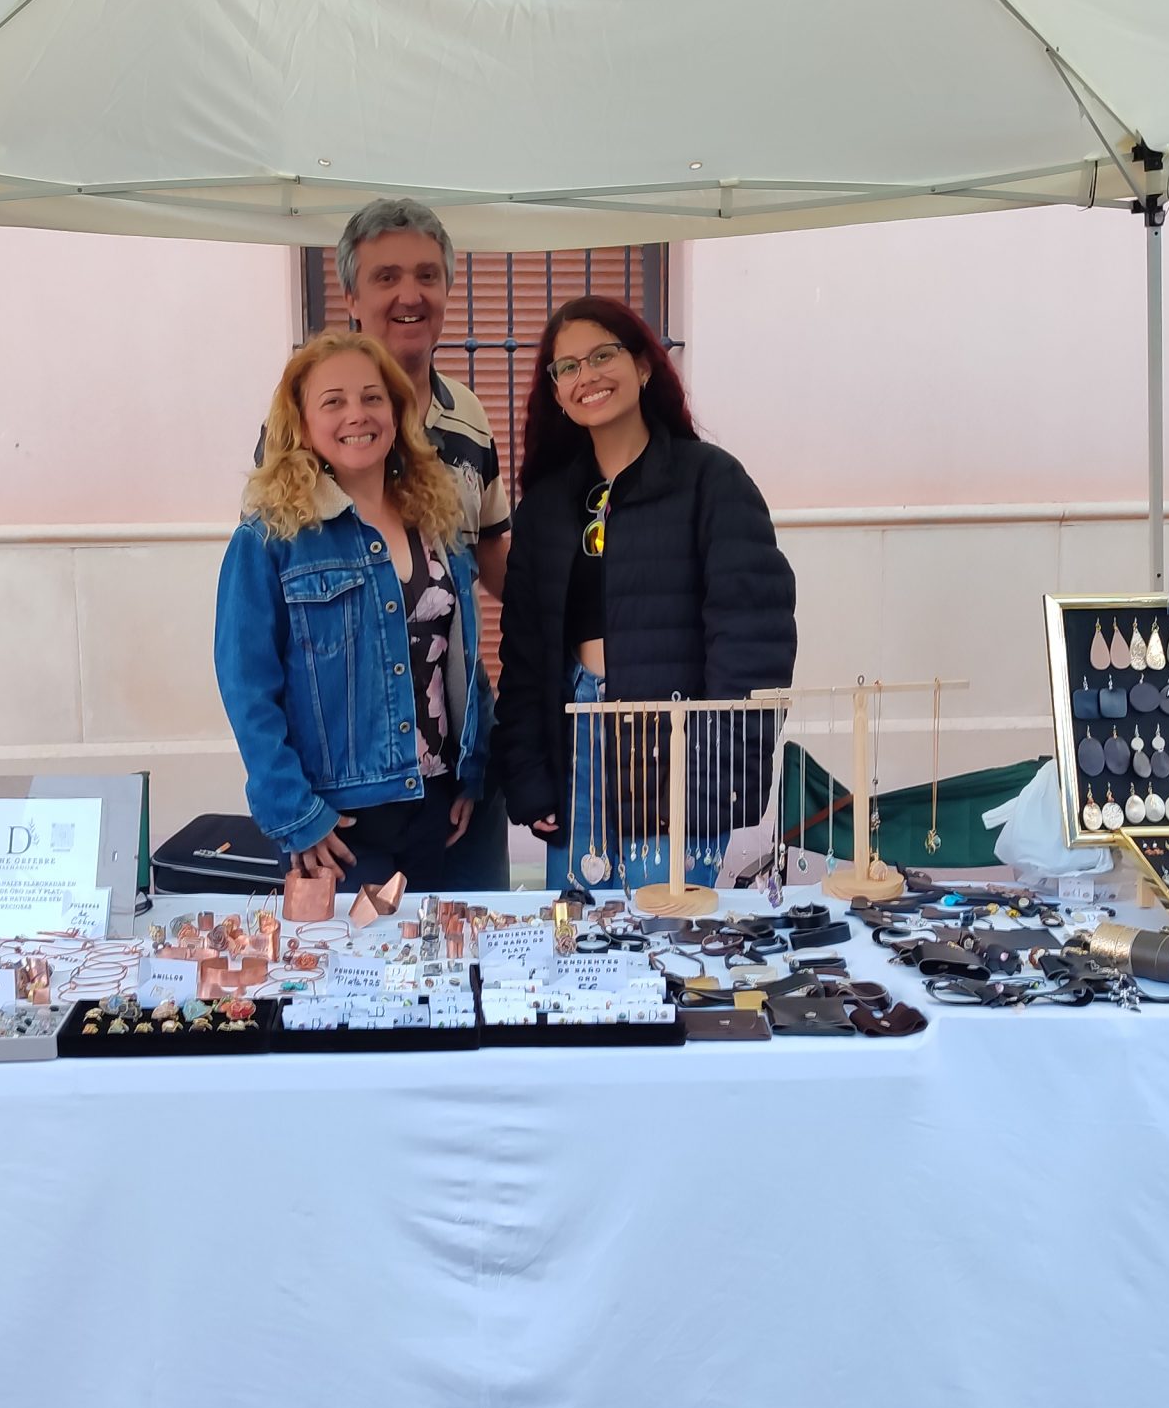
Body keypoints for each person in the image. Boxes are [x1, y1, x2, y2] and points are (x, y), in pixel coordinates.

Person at [494, 296, 796, 892]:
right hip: (577, 748)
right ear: (556, 392)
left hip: (674, 749)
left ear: (643, 366)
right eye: (568, 367)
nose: (587, 376)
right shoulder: (547, 506)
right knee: (579, 932)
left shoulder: (711, 481)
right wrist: (529, 775)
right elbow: (525, 655)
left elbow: (753, 642)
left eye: (603, 355)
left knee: (668, 931)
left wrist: (715, 777)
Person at [215, 331, 489, 891]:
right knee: (347, 953)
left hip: (435, 806)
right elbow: (247, 690)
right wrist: (295, 813)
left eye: (372, 397)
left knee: (436, 951)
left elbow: (462, 660)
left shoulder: (436, 522)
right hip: (338, 824)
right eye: (333, 401)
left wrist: (473, 769)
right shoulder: (270, 538)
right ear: (302, 423)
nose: (356, 415)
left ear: (396, 411)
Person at [327, 197, 514, 887]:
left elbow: (496, 559)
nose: (410, 295)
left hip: (460, 763)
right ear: (351, 297)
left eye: (427, 276)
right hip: (352, 787)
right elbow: (265, 626)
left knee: (479, 942)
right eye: (387, 277)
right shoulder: (311, 423)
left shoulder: (468, 414)